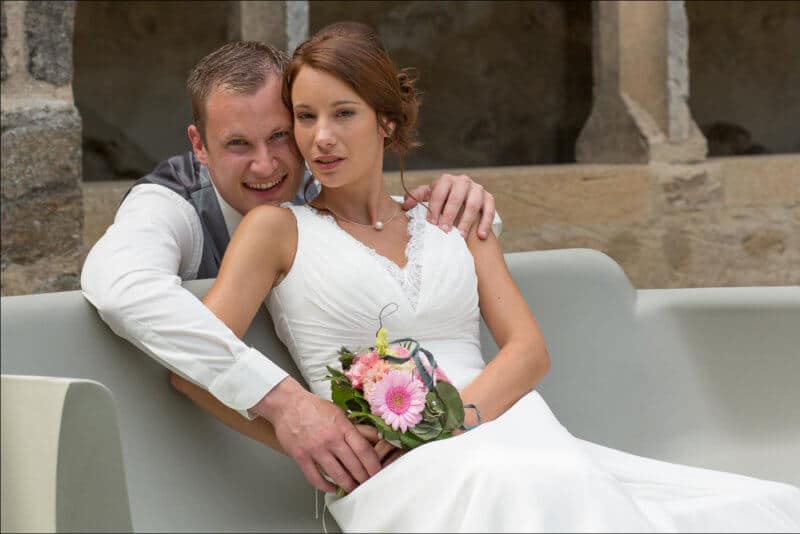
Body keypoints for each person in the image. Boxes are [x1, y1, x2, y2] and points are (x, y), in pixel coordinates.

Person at [171, 21, 800, 532]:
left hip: (505, 427)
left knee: (716, 508)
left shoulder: (453, 217)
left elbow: (527, 351)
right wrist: (314, 442)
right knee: (502, 485)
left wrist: (449, 422)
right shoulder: (278, 229)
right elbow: (190, 367)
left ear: (386, 121)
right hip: (396, 474)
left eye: (343, 113)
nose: (321, 138)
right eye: (304, 118)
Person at [80, 40, 499, 496]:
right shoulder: (171, 200)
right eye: (238, 144)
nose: (265, 165)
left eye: (280, 135)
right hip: (192, 473)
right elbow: (120, 286)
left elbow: (404, 246)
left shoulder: (320, 176)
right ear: (199, 145)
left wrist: (457, 196)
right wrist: (285, 404)